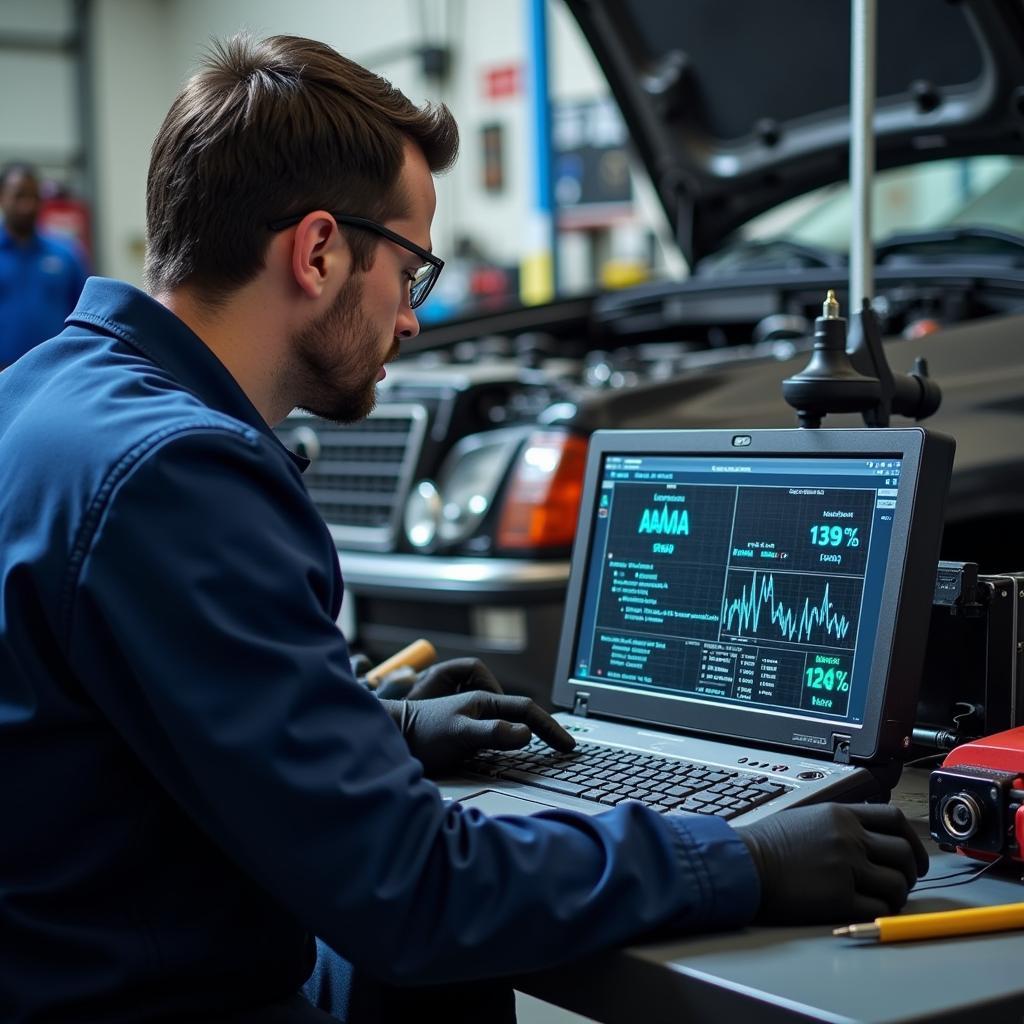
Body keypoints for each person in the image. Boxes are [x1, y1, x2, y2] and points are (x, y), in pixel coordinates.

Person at [0, 34, 929, 1024]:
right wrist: (739, 858)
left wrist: (379, 729)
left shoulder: (42, 398)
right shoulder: (174, 476)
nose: (411, 319)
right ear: (317, 251)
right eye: (413, 270)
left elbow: (119, 719)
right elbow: (415, 893)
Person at [0, 162, 89, 368]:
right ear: (2, 197)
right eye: (19, 195)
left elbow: (84, 313)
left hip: (54, 370)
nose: (28, 205)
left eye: (33, 197)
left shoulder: (66, 254)